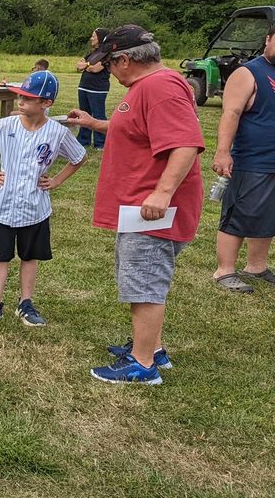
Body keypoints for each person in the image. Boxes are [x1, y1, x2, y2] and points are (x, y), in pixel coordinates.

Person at [67, 25, 204, 384]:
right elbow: (138, 128)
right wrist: (95, 123)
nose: (109, 70)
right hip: (140, 207)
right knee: (140, 277)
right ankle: (152, 348)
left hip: (152, 210)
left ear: (125, 59)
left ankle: (143, 366)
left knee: (144, 281)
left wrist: (162, 193)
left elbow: (186, 143)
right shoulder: (150, 87)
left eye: (110, 63)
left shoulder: (160, 87)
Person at [0, 71, 86, 327]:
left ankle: (26, 303)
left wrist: (56, 180)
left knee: (29, 256)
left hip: (35, 207)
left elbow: (79, 157)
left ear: (46, 103)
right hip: (5, 205)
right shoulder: (5, 126)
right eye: (21, 95)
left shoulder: (57, 133)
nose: (21, 101)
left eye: (29, 98)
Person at [209, 25, 275, 293]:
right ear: (268, 39)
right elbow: (231, 113)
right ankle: (224, 270)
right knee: (238, 214)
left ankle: (256, 267)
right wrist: (223, 152)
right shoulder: (248, 73)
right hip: (251, 159)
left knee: (268, 214)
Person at [75, 28, 110, 150]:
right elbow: (79, 66)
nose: (91, 38)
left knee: (98, 115)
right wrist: (87, 65)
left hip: (97, 89)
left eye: (93, 36)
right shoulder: (92, 53)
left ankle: (100, 143)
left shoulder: (106, 54)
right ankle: (83, 140)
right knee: (84, 114)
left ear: (100, 38)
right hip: (84, 86)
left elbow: (96, 69)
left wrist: (87, 65)